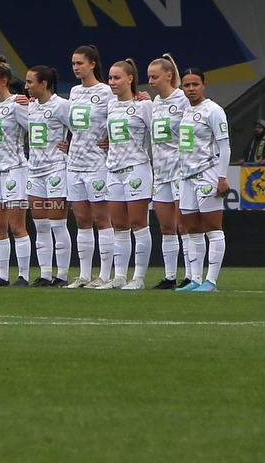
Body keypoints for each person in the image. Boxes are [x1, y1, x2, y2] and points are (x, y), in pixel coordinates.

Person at [98, 59, 153, 290]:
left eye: (117, 77)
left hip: (137, 168)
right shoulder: (111, 105)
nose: (112, 82)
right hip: (113, 170)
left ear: (130, 79)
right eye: (110, 78)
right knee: (119, 225)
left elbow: (157, 135)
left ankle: (138, 278)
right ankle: (119, 276)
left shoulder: (143, 104)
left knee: (138, 223)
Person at [63, 45, 115, 289]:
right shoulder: (73, 92)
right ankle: (84, 275)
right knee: (82, 220)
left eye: (80, 63)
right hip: (74, 163)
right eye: (73, 63)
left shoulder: (106, 91)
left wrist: (111, 140)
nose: (75, 67)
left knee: (101, 220)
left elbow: (121, 115)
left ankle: (103, 275)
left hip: (97, 163)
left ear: (92, 64)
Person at [174, 68, 230, 293]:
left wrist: (222, 176)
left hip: (207, 173)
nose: (191, 88)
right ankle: (195, 279)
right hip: (186, 177)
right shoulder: (185, 110)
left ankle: (212, 281)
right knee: (192, 229)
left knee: (213, 228)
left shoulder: (214, 110)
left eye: (195, 84)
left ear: (204, 85)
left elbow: (224, 146)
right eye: (187, 85)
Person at [138, 53, 191, 290]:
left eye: (155, 76)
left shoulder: (183, 100)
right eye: (149, 77)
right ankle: (170, 277)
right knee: (167, 227)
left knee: (185, 225)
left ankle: (191, 276)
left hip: (180, 171)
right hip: (159, 173)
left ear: (169, 76)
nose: (150, 81)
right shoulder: (153, 103)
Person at [0, 55, 30, 287]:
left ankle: (23, 275)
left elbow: (35, 127)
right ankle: (1, 276)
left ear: (4, 81)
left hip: (13, 170)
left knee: (17, 226)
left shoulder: (17, 104)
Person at [23, 65, 72, 287]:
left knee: (57, 224)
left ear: (43, 84)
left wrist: (69, 145)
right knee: (40, 225)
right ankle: (44, 274)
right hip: (34, 170)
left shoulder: (62, 106)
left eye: (30, 82)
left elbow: (80, 129)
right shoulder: (30, 106)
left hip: (55, 170)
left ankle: (61, 275)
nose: (26, 87)